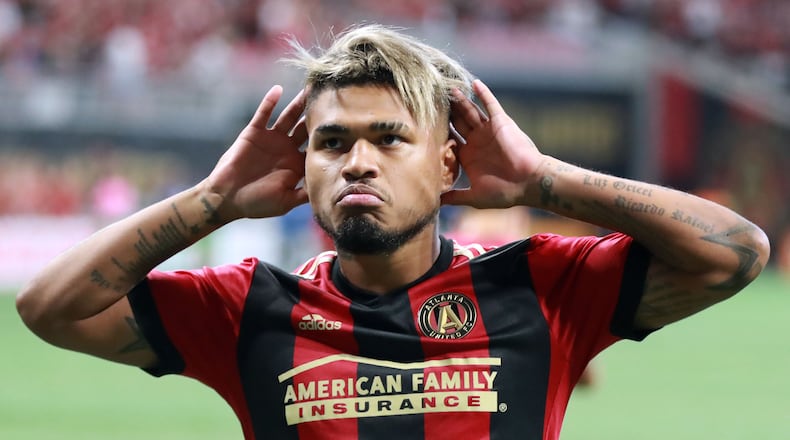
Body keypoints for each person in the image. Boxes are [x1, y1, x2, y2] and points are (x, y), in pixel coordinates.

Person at [16, 24, 770, 440]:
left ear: (447, 165)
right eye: (332, 142)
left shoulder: (539, 285)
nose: (357, 162)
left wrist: (545, 179)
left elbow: (735, 254)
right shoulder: (247, 308)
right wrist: (212, 202)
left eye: (389, 138)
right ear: (305, 166)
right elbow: (49, 308)